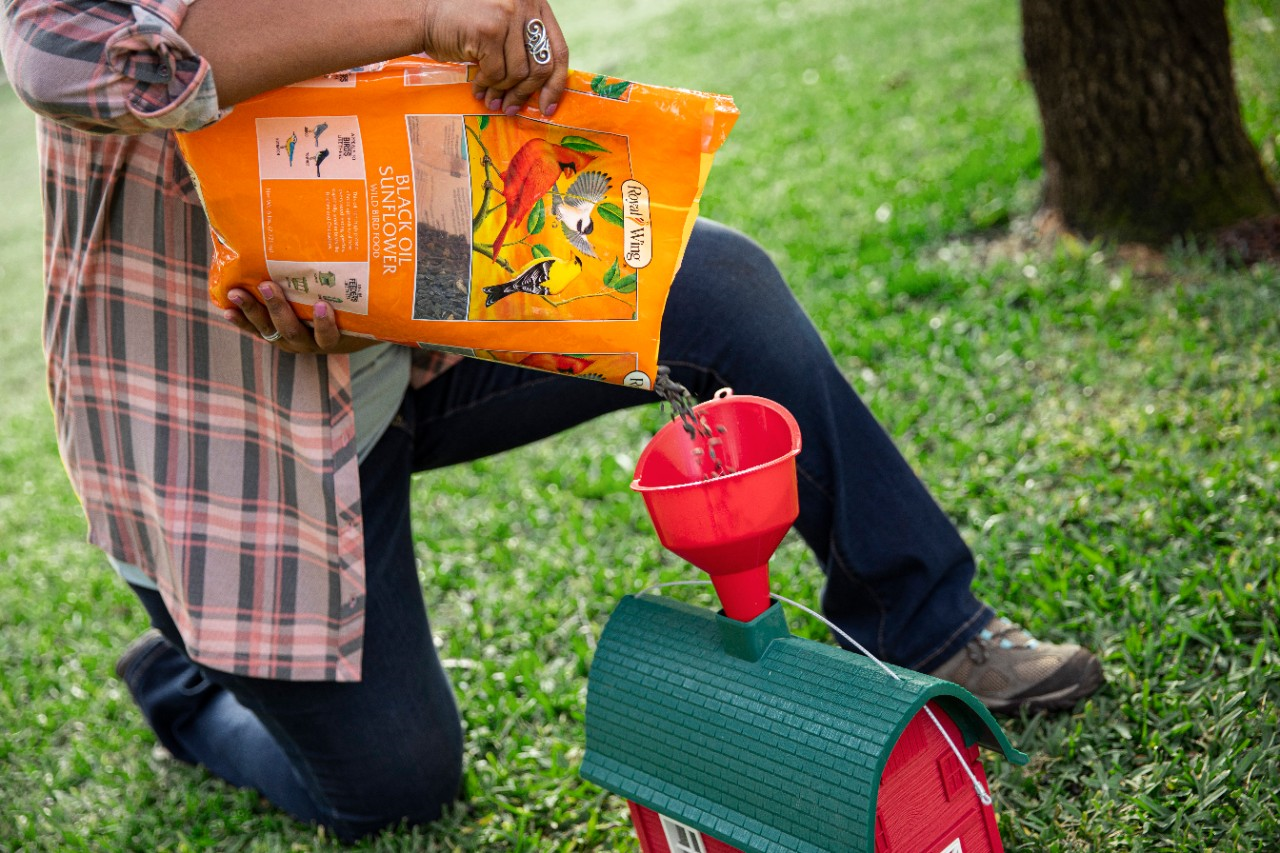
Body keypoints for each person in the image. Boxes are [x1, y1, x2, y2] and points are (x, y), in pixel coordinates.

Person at [2, 0, 1103, 842]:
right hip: (224, 444)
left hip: (416, 336)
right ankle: (184, 676)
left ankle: (923, 615)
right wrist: (427, 11)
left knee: (713, 289)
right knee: (396, 790)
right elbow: (78, 54)